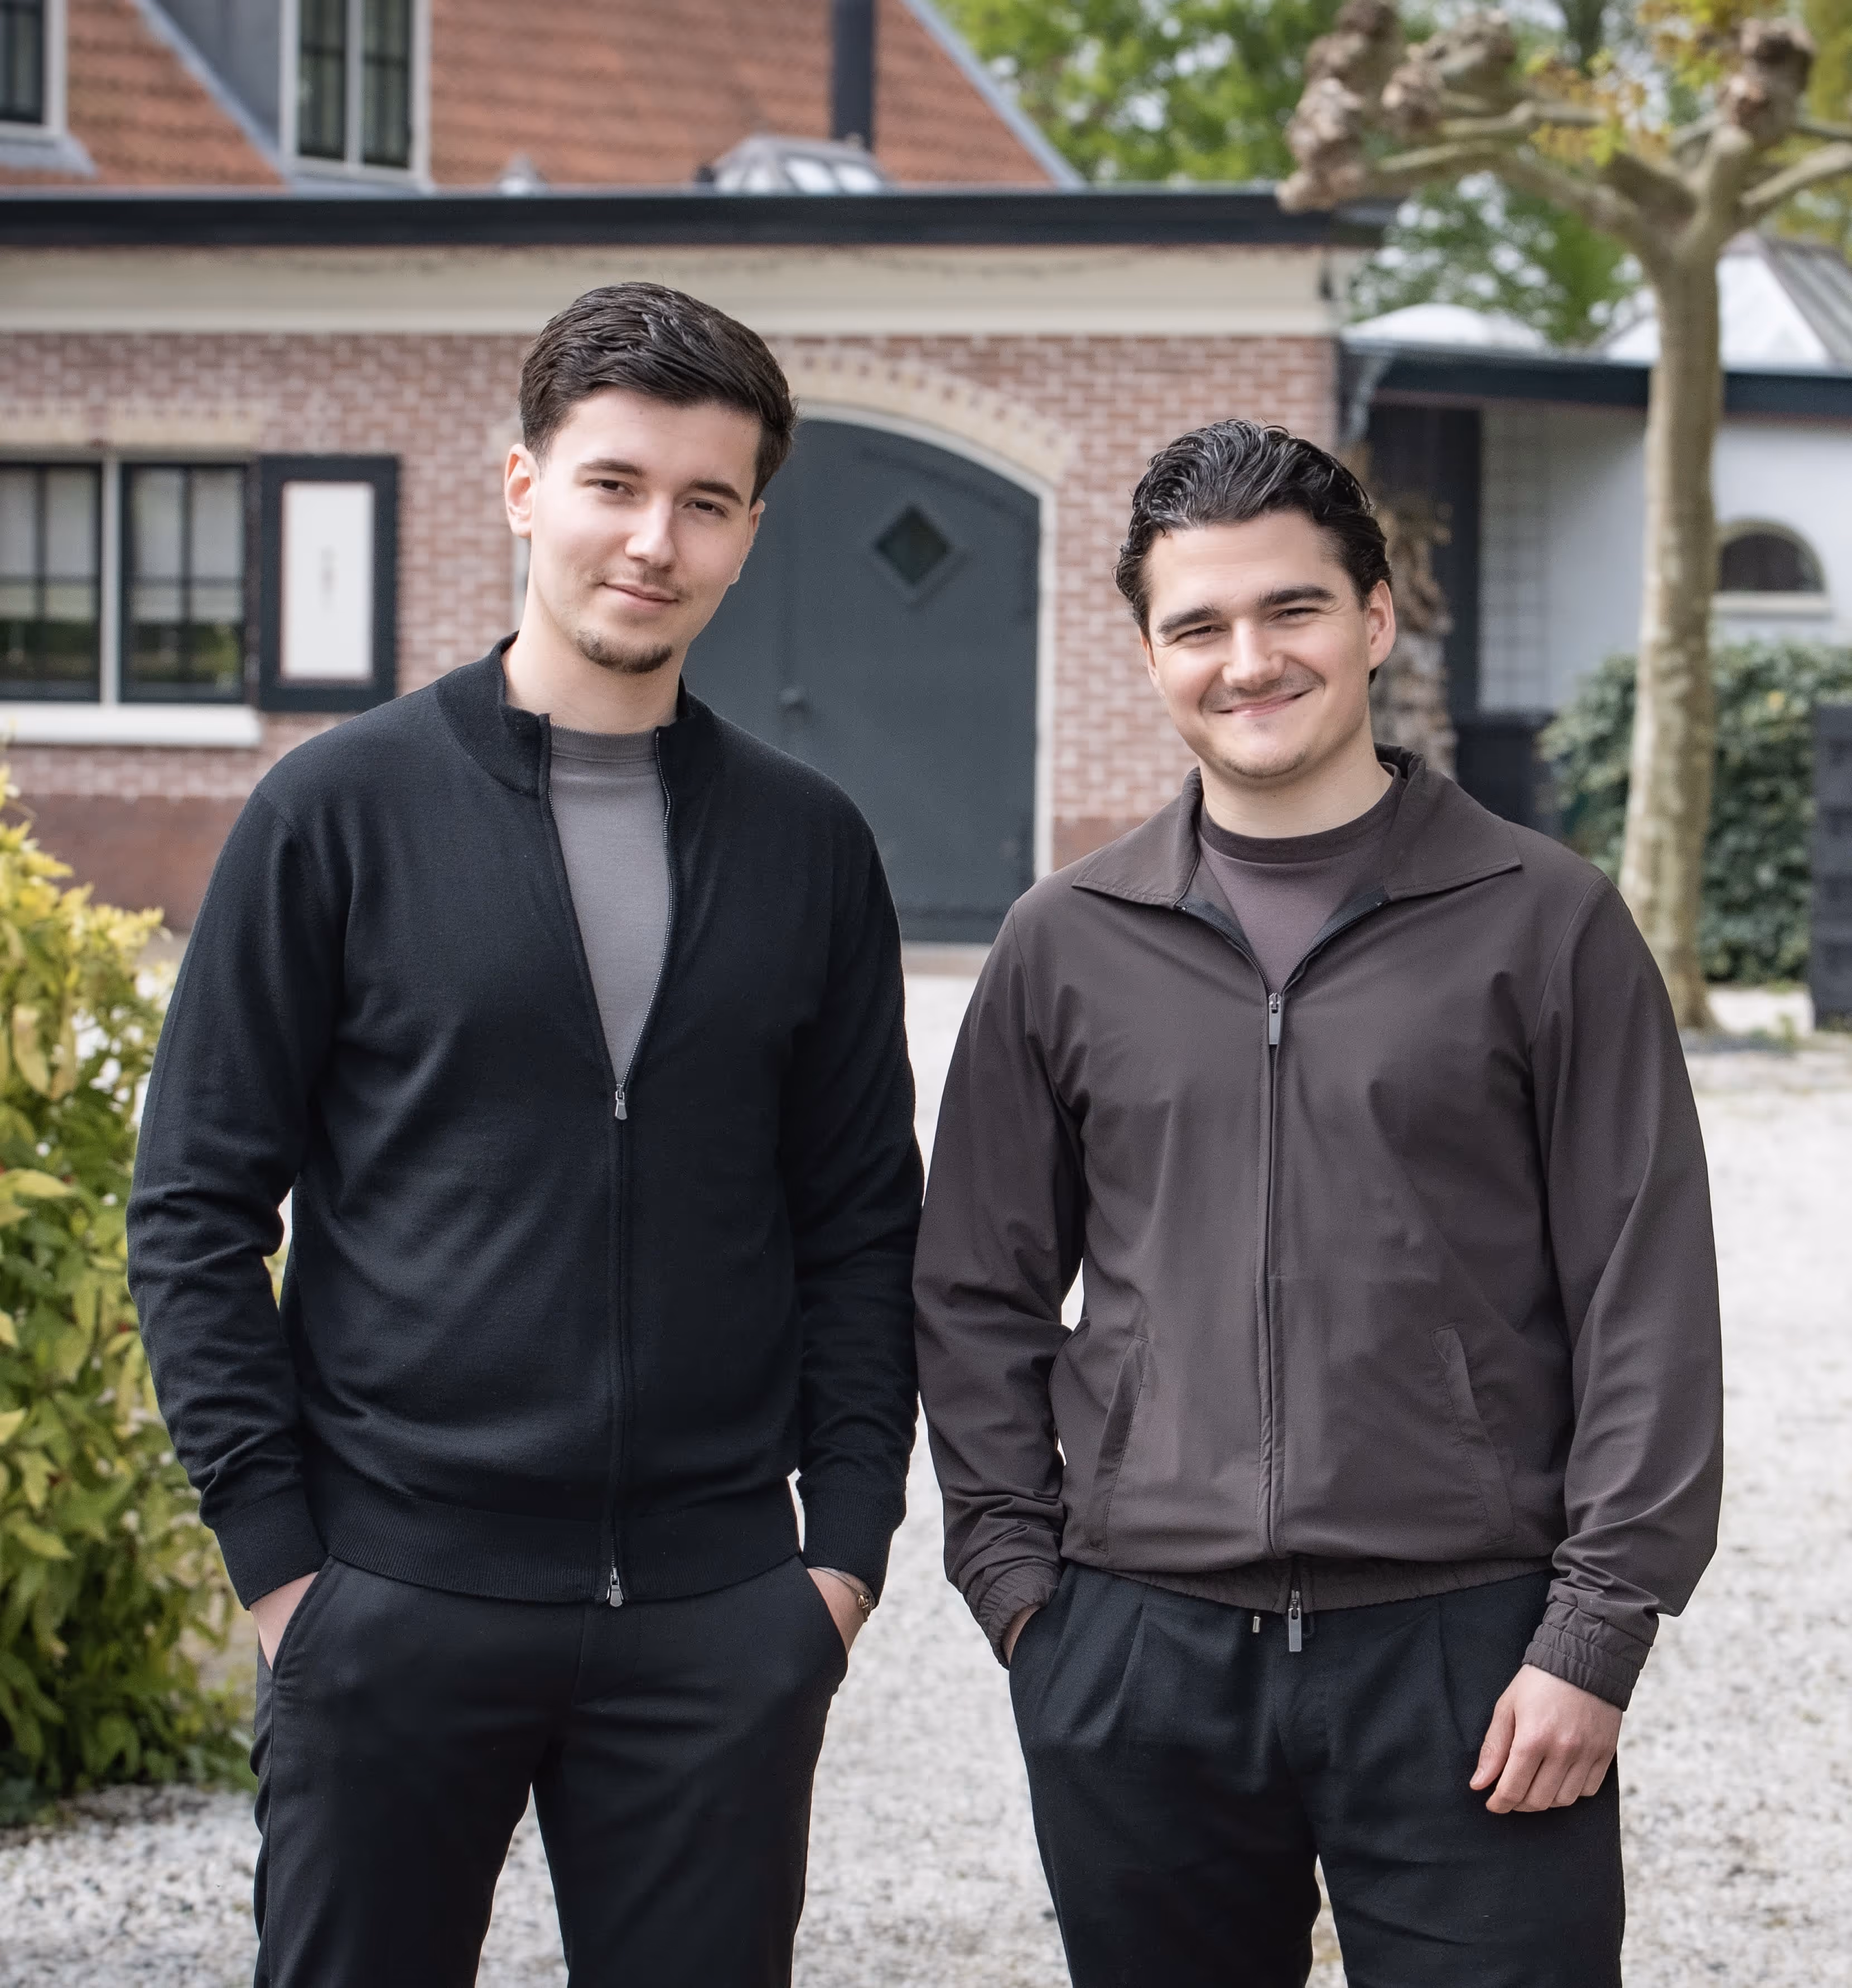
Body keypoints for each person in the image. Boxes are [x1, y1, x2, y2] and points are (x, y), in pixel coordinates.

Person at [128, 282, 921, 1988]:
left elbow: (862, 1223)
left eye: (706, 503)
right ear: (520, 486)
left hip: (719, 1616)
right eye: (615, 484)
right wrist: (284, 1571)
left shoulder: (810, 847)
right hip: (391, 1594)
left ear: (751, 533)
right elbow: (193, 1204)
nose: (656, 539)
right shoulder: (337, 811)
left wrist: (839, 1559)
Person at [914, 419, 1722, 1986]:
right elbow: (976, 1289)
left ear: (1375, 617)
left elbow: (1646, 1291)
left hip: (1475, 1647)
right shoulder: (1063, 942)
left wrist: (1595, 1633)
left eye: (1290, 610)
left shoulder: (1542, 922)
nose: (1248, 660)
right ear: (1149, 652)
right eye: (1198, 626)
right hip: (1139, 1652)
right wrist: (1023, 1594)